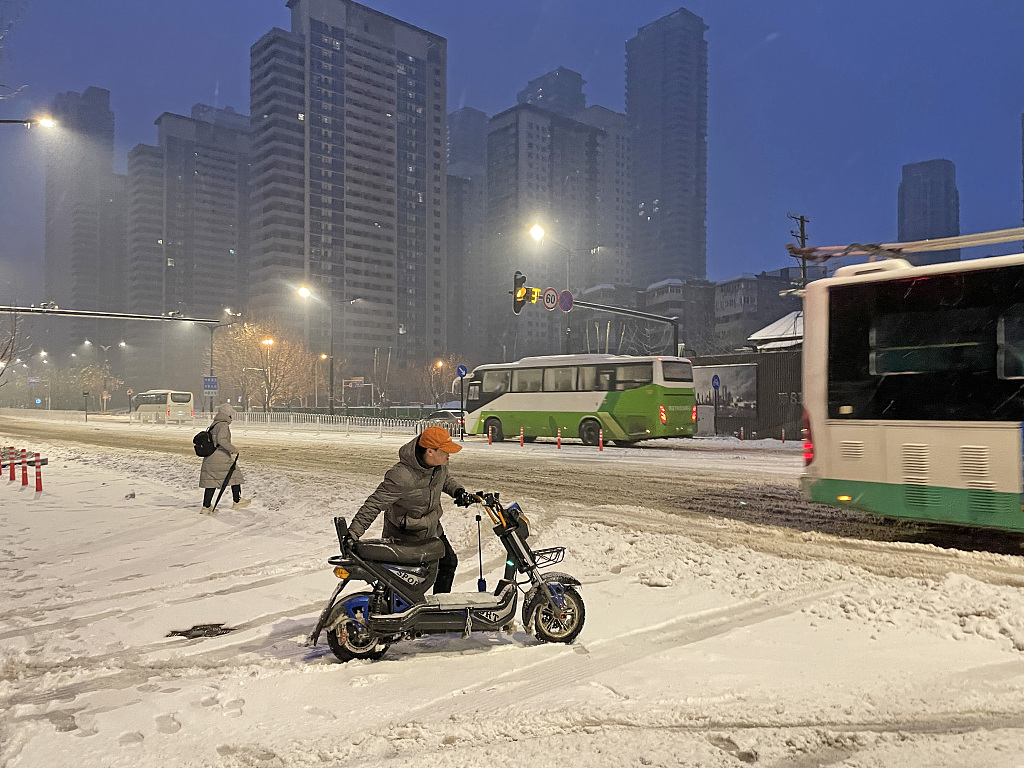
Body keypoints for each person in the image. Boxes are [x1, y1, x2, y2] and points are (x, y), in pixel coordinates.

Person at [348, 426, 471, 593]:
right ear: (430, 452)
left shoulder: (439, 466)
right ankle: (388, 613)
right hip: (405, 535)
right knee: (401, 584)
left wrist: (458, 491)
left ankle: (438, 610)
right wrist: (352, 534)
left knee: (448, 563)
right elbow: (375, 504)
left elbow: (445, 480)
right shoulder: (402, 475)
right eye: (445, 451)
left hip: (432, 529)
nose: (449, 455)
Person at [199, 402, 251, 514]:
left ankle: (206, 507)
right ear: (228, 414)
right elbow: (222, 440)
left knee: (211, 481)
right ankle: (237, 501)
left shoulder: (215, 423)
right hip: (220, 456)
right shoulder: (223, 425)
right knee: (235, 474)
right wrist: (233, 449)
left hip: (211, 457)